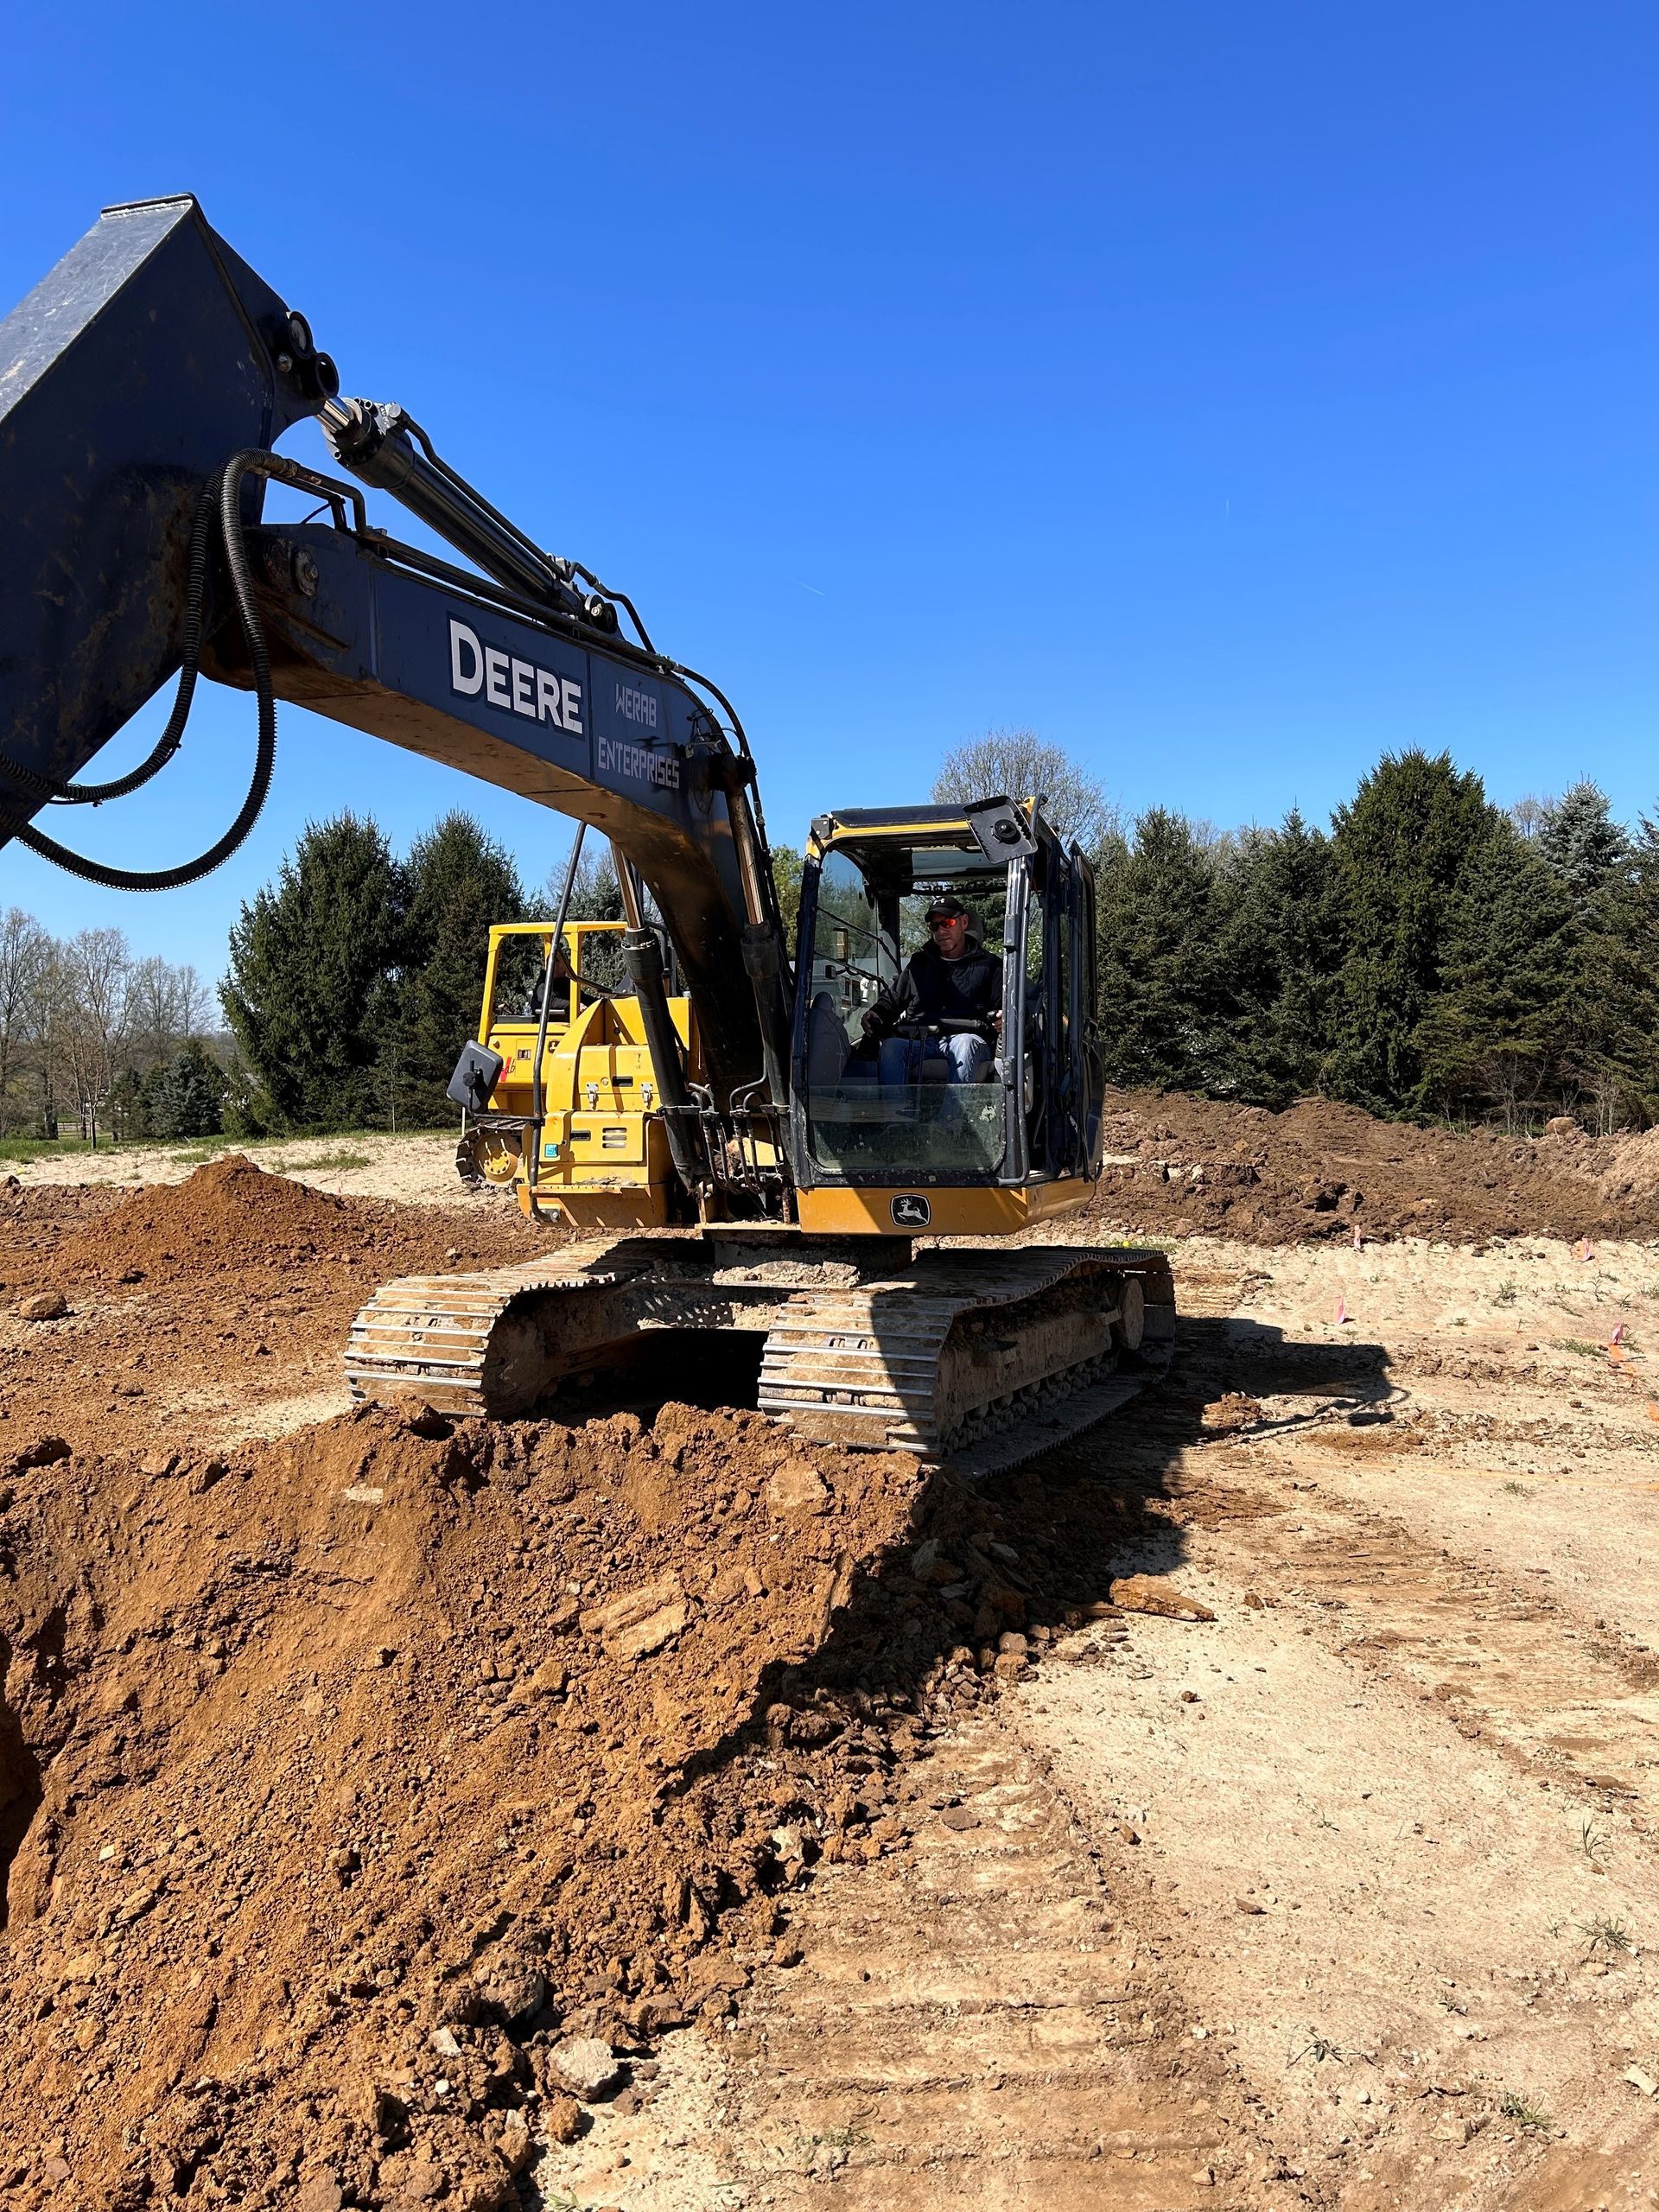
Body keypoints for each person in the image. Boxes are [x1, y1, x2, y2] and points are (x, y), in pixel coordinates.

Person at [862, 896, 1002, 1085]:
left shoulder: (990, 966)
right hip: (920, 1040)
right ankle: (895, 1105)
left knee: (965, 1043)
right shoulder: (919, 964)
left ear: (964, 922)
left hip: (968, 1039)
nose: (941, 931)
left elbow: (1005, 1010)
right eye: (934, 926)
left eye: (947, 923)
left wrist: (1003, 1018)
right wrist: (877, 1013)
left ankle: (954, 1106)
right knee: (890, 1047)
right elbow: (892, 1000)